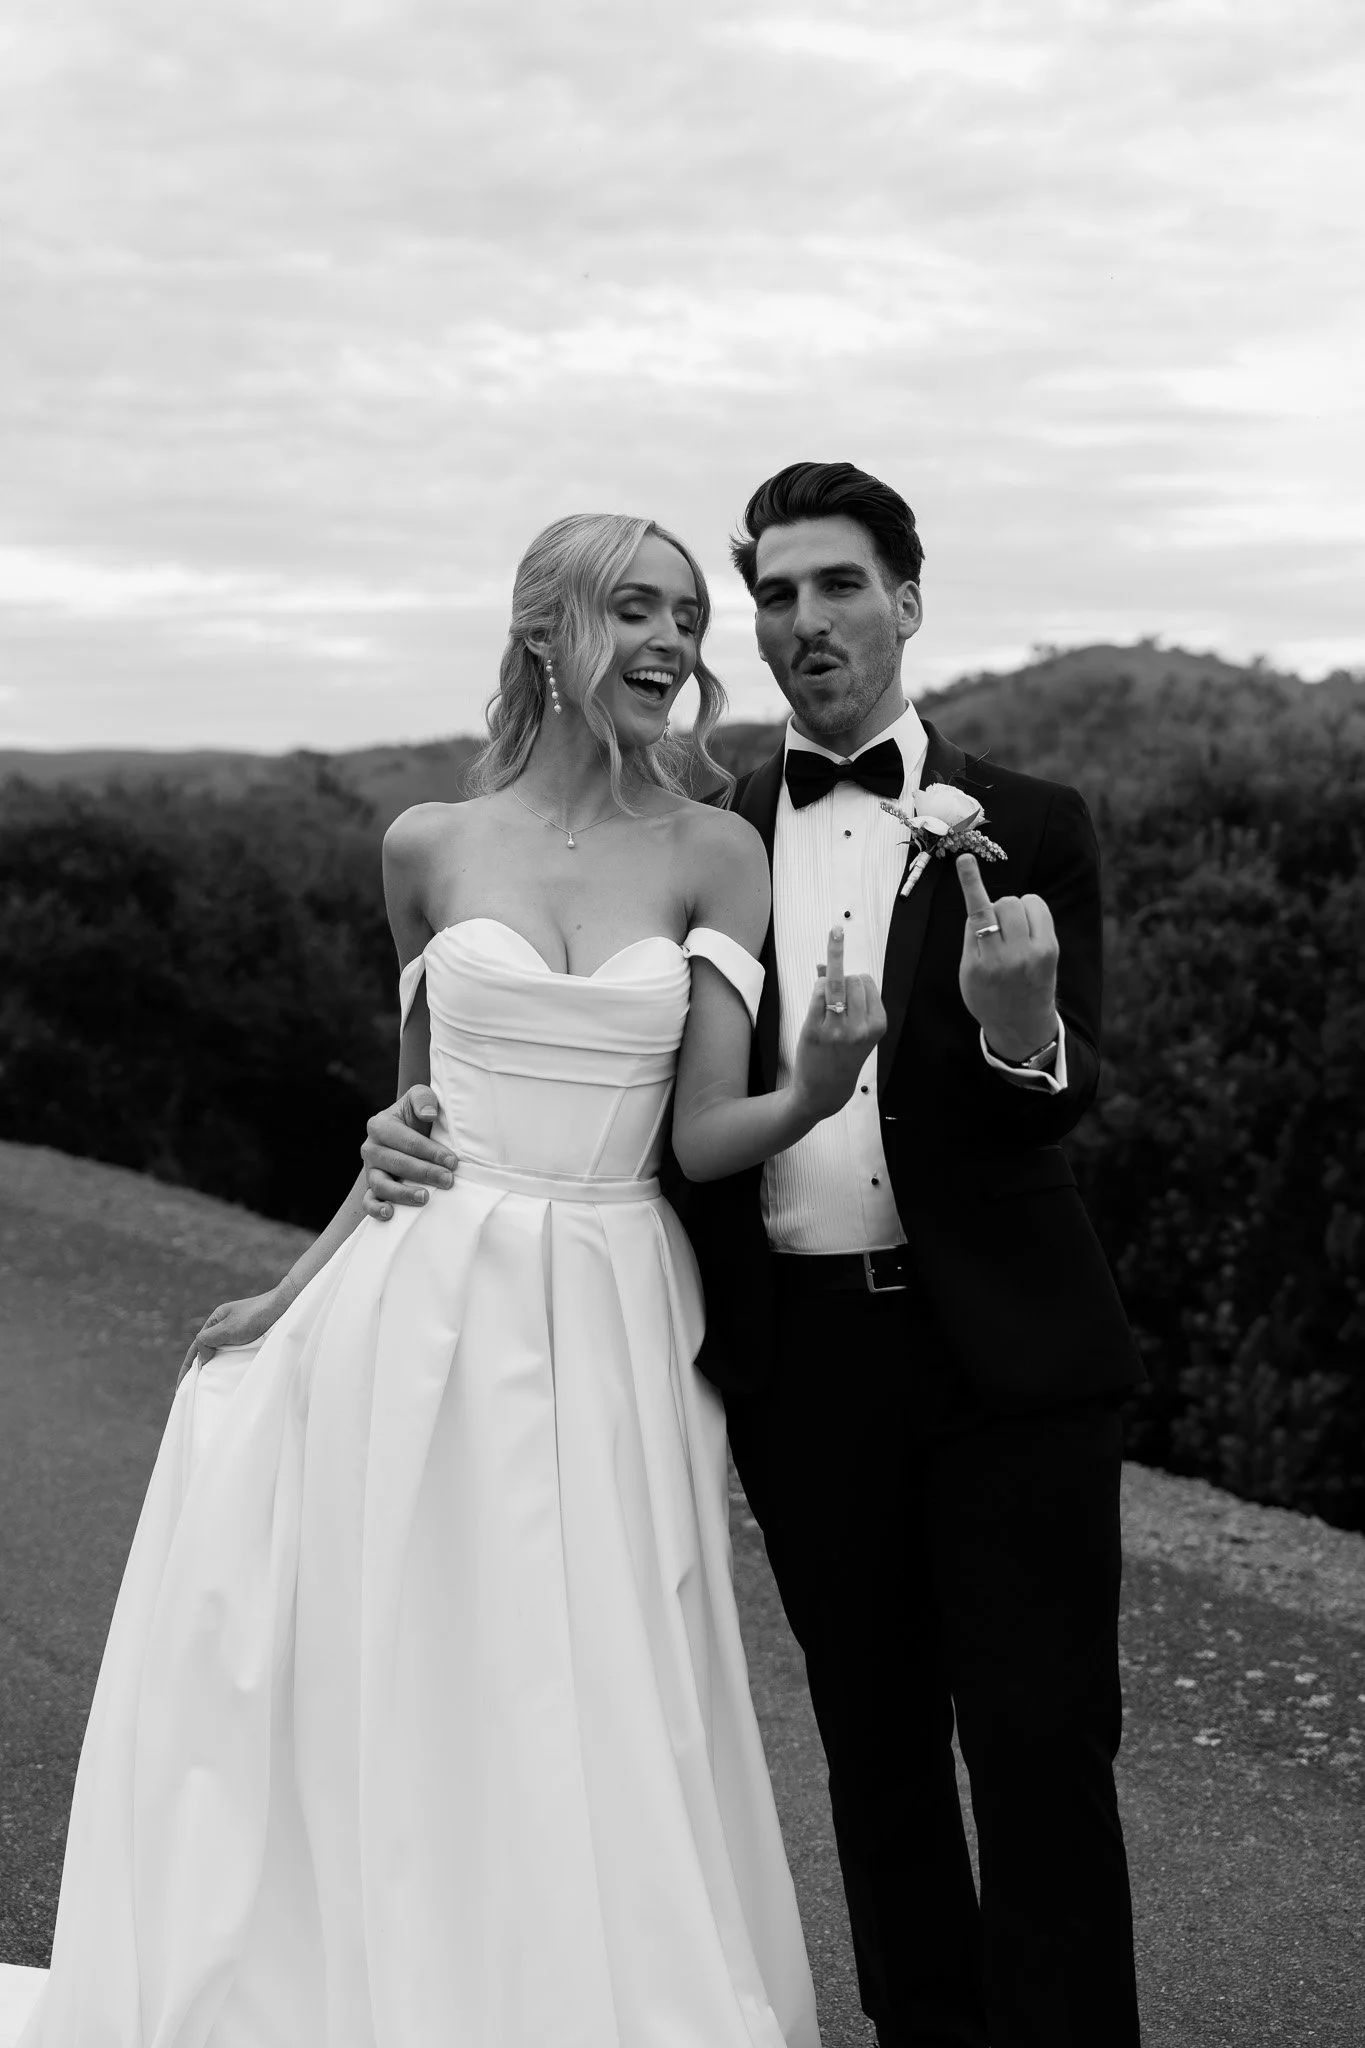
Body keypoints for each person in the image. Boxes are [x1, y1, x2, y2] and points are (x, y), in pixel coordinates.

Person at [16, 512, 891, 2048]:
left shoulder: (717, 849)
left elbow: (701, 1131)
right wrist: (288, 1298)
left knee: (590, 1680)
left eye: (690, 615)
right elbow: (406, 1127)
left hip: (612, 1297)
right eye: (638, 609)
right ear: (545, 626)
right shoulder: (424, 844)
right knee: (406, 1663)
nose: (679, 644)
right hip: (418, 1298)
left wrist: (816, 1087)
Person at [366, 464, 1146, 2048]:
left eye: (838, 584)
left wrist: (1019, 1033)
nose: (805, 622)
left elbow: (1061, 1096)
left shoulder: (1038, 826)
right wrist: (405, 1136)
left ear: (908, 603)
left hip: (1014, 1358)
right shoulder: (700, 838)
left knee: (1042, 1745)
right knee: (871, 1751)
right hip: (804, 1360)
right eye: (776, 595)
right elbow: (599, 1090)